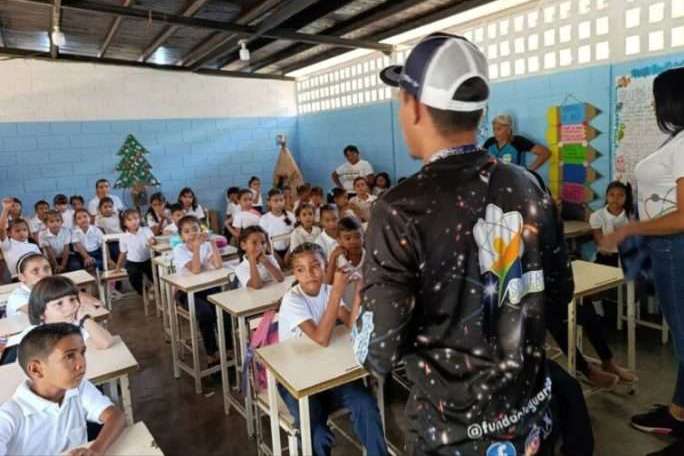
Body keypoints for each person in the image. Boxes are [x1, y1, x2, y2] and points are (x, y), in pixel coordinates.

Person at [354, 33, 572, 454]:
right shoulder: (528, 185)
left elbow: (378, 350)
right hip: (533, 424)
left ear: (414, 106)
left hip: (453, 438)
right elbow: (558, 293)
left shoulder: (399, 208)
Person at [600, 67, 684, 447]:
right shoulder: (677, 141)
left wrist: (629, 229)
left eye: (656, 99)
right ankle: (678, 413)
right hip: (665, 248)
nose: (653, 106)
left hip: (674, 249)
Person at [278, 243, 387, 456]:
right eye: (301, 269)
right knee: (317, 434)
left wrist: (359, 288)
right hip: (298, 382)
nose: (309, 274)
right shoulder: (293, 299)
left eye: (315, 266)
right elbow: (321, 338)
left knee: (365, 403)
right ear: (294, 274)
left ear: (326, 266)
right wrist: (337, 291)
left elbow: (352, 324)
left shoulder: (328, 291)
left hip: (330, 374)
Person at [0, 323, 125, 456]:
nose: (81, 364)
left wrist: (96, 449)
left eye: (82, 353)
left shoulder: (78, 388)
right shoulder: (10, 415)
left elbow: (115, 416)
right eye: (69, 356)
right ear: (36, 369)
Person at [3, 275, 114, 357]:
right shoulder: (32, 335)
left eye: (72, 299)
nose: (70, 306)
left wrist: (84, 318)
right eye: (59, 304)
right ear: (41, 313)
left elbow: (105, 342)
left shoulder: (76, 327)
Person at [171, 215, 225, 365]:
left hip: (206, 287)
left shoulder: (206, 246)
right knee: (205, 313)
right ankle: (211, 353)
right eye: (187, 231)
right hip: (184, 292)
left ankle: (228, 349)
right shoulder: (179, 250)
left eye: (195, 229)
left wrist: (212, 243)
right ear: (181, 236)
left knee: (224, 308)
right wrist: (196, 248)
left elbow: (219, 266)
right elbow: (195, 270)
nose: (192, 233)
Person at [483, 113, 550, 171]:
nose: (495, 132)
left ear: (508, 130)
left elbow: (545, 153)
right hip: (495, 180)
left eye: (499, 129)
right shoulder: (489, 142)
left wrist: (529, 172)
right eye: (494, 129)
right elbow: (480, 159)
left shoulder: (518, 141)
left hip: (515, 181)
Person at [326, 217, 365, 311]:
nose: (353, 241)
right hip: (344, 308)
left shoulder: (368, 256)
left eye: (357, 236)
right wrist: (332, 258)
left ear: (363, 236)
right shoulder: (338, 258)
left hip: (365, 306)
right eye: (348, 238)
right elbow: (327, 284)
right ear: (339, 241)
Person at [115, 209, 155, 298]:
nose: (134, 221)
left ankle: (155, 288)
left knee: (155, 275)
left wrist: (152, 241)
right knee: (133, 277)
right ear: (124, 223)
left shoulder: (146, 230)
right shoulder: (123, 237)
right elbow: (123, 253)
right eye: (129, 220)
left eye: (136, 218)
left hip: (148, 259)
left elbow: (152, 239)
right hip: (132, 262)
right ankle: (144, 292)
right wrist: (118, 267)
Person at [0, 198, 41, 279]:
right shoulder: (7, 245)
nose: (22, 233)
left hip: (36, 276)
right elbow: (1, 229)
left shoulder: (33, 246)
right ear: (9, 233)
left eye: (24, 230)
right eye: (17, 231)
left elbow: (41, 262)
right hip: (18, 278)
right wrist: (5, 209)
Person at [6, 253, 52, 317]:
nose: (44, 274)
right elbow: (42, 314)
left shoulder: (49, 290)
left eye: (46, 269)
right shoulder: (17, 296)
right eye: (35, 271)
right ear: (22, 277)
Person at [258, 189, 295, 264]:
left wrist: (289, 252)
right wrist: (273, 254)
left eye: (281, 200)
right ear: (269, 202)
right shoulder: (264, 219)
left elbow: (294, 235)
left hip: (290, 250)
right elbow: (264, 240)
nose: (279, 203)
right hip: (272, 251)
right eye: (275, 200)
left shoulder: (290, 216)